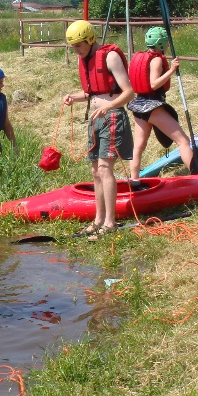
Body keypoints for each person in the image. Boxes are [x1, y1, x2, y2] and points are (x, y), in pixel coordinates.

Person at [63, 20, 135, 241]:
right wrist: (75, 97)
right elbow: (95, 92)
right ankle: (98, 220)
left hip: (112, 118)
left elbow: (129, 92)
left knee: (105, 169)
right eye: (73, 46)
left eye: (78, 46)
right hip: (95, 119)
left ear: (90, 39)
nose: (76, 50)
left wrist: (108, 107)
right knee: (95, 171)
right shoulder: (85, 59)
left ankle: (110, 222)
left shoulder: (110, 56)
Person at [127, 27, 194, 182]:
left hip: (139, 106)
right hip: (152, 106)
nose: (169, 45)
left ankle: (134, 181)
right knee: (183, 142)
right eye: (167, 42)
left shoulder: (141, 57)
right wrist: (171, 70)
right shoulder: (156, 59)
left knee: (138, 147)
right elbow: (154, 84)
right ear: (161, 43)